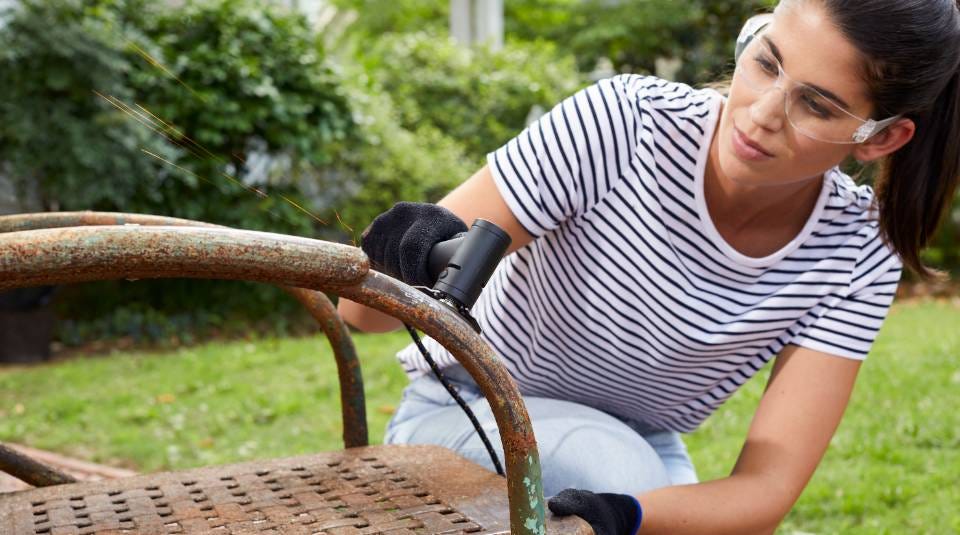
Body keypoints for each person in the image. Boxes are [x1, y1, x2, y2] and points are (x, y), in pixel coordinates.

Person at [338, 0, 960, 533]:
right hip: (467, 411)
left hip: (638, 449)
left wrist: (620, 516)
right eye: (766, 63)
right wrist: (405, 252)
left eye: (816, 105)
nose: (762, 113)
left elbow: (765, 493)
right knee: (622, 474)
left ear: (880, 138)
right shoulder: (625, 127)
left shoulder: (855, 250)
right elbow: (362, 315)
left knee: (638, 488)